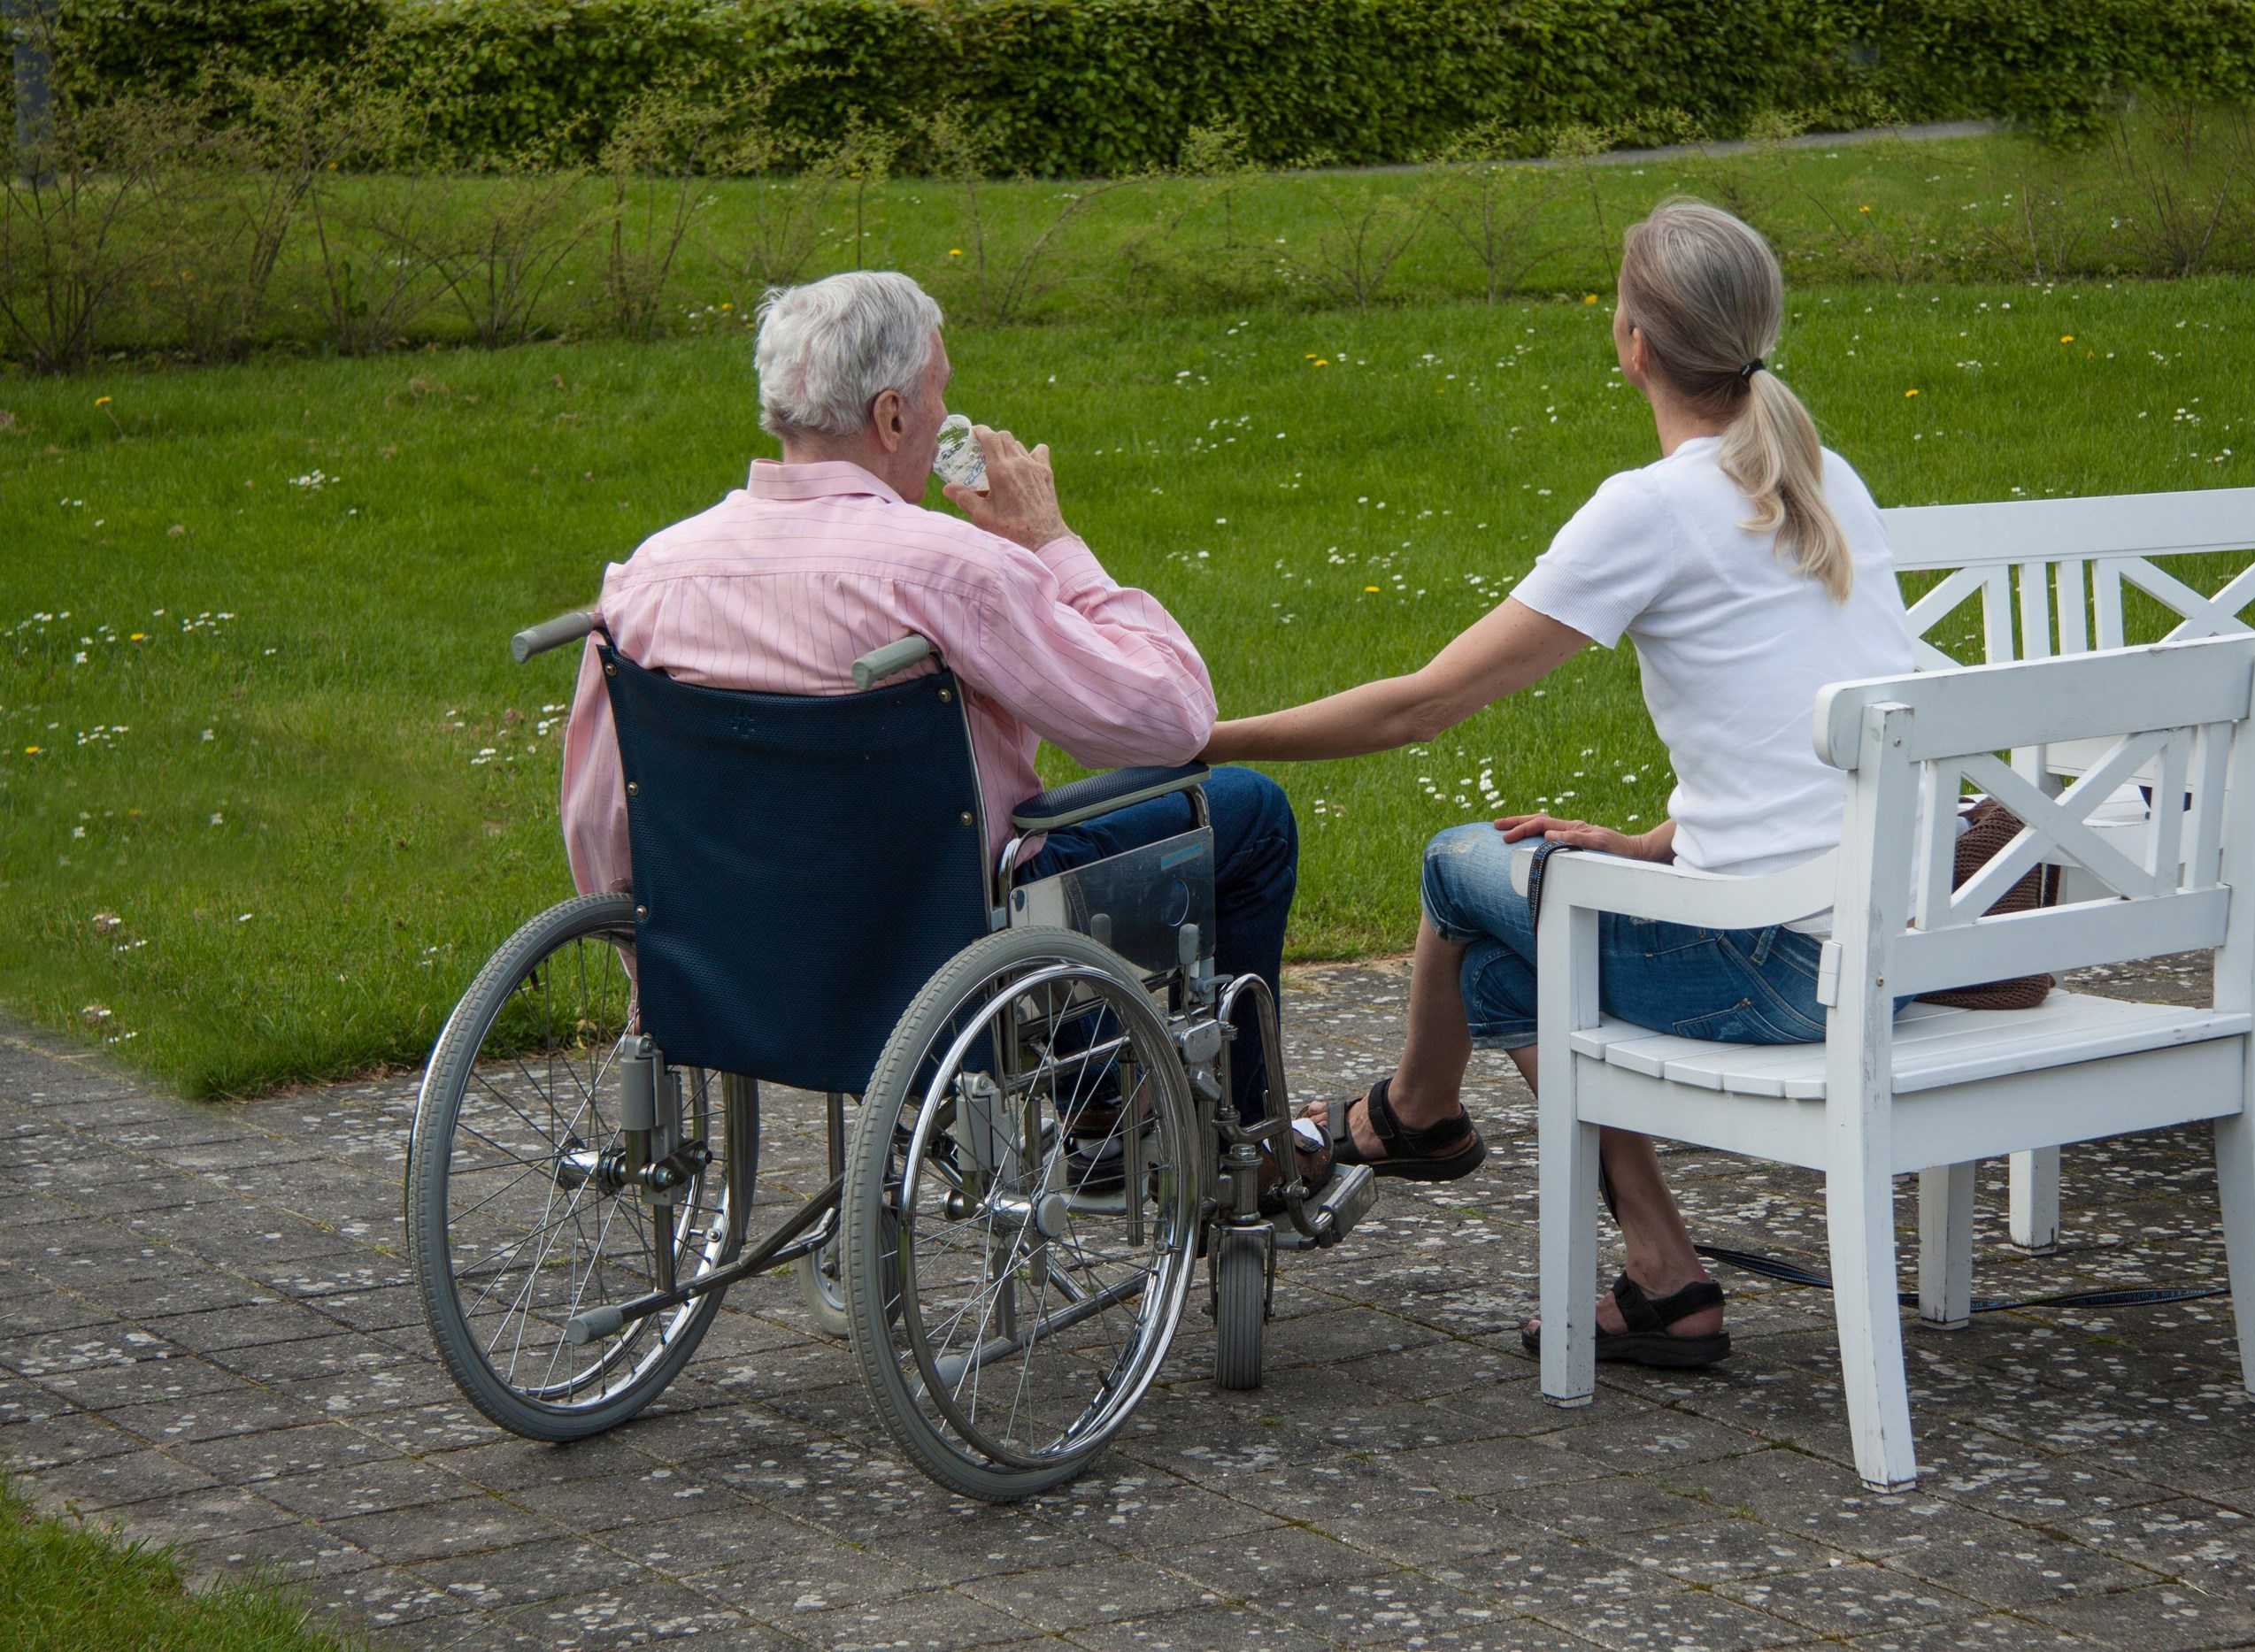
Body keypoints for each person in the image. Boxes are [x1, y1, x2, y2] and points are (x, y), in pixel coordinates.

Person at [1198, 201, 1915, 1367]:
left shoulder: (1654, 507)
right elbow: (1794, 714)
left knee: (1455, 859)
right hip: (1880, 939)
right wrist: (1650, 842)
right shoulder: (1828, 477)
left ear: (1632, 341)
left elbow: (1424, 704)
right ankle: (1664, 1278)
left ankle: (1416, 1113)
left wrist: (1215, 737)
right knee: (1507, 957)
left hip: (1781, 972)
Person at [560, 271, 1299, 1145]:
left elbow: (601, 814)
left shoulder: (653, 574)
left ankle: (1108, 1095)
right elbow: (1169, 717)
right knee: (1247, 812)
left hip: (730, 949)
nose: (947, 414)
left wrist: (655, 948)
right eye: (940, 391)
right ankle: (1225, 1132)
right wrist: (1052, 545)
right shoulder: (946, 568)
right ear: (894, 417)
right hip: (938, 947)